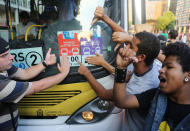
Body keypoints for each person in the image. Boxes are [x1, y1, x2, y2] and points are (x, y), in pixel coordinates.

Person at [78, 31, 161, 131]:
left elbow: (104, 94)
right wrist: (104, 63)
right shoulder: (147, 65)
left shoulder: (140, 87)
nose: (125, 48)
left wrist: (86, 73)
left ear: (141, 57)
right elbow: (127, 77)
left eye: (130, 46)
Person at [113, 42, 190, 131]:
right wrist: (120, 69)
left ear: (187, 75)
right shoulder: (155, 96)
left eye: (169, 67)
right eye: (162, 66)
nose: (161, 70)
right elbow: (121, 102)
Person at [0, 37, 70, 131]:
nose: (11, 57)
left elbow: (25, 73)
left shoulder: (4, 68)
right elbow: (38, 86)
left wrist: (45, 63)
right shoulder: (1, 85)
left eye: (9, 53)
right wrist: (64, 73)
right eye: (4, 55)